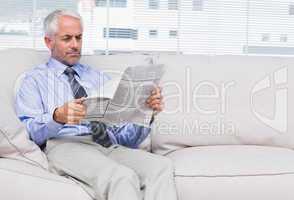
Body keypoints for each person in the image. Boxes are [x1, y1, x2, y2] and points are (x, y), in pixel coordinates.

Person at [15, 9, 177, 200]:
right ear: (49, 42)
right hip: (67, 145)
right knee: (121, 177)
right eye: (67, 38)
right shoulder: (34, 80)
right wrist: (57, 117)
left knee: (161, 167)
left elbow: (126, 139)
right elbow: (29, 131)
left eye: (79, 37)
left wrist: (145, 111)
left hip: (107, 144)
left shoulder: (99, 78)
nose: (75, 45)